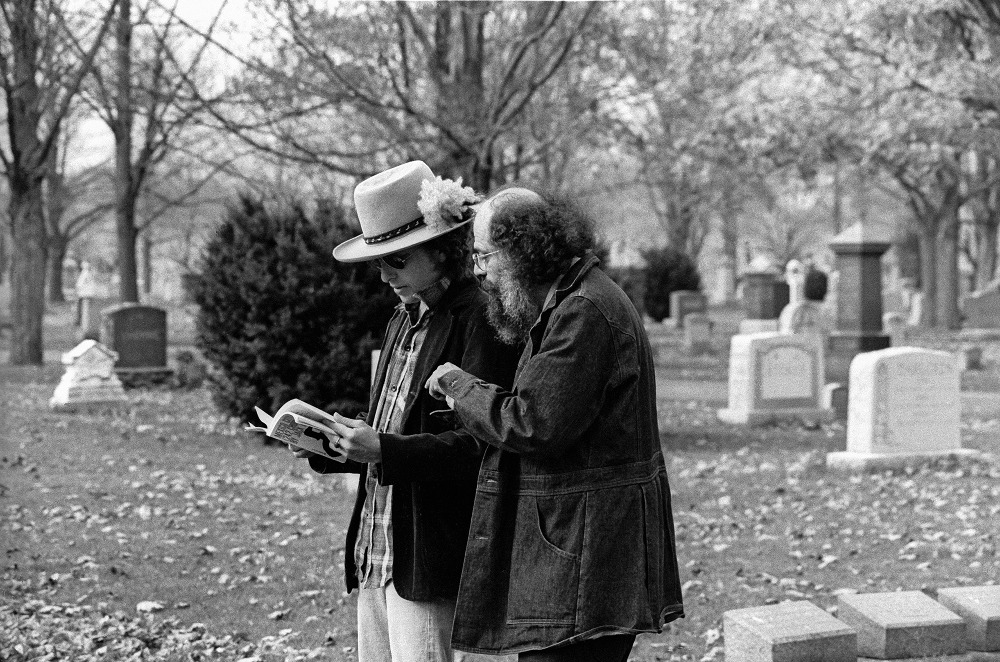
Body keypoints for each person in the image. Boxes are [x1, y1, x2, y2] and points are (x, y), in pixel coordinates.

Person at [426, 188, 684, 661]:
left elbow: (532, 423)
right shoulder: (570, 301)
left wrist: (459, 387)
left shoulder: (584, 311)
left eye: (485, 256)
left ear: (523, 252)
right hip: (585, 547)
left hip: (587, 555)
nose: (479, 271)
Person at [291, 161, 520, 662]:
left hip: (433, 552)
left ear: (441, 250)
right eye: (379, 262)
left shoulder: (481, 317)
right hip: (379, 545)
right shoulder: (402, 317)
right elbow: (392, 428)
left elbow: (486, 444)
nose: (383, 275)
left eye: (396, 260)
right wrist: (331, 443)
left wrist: (384, 448)